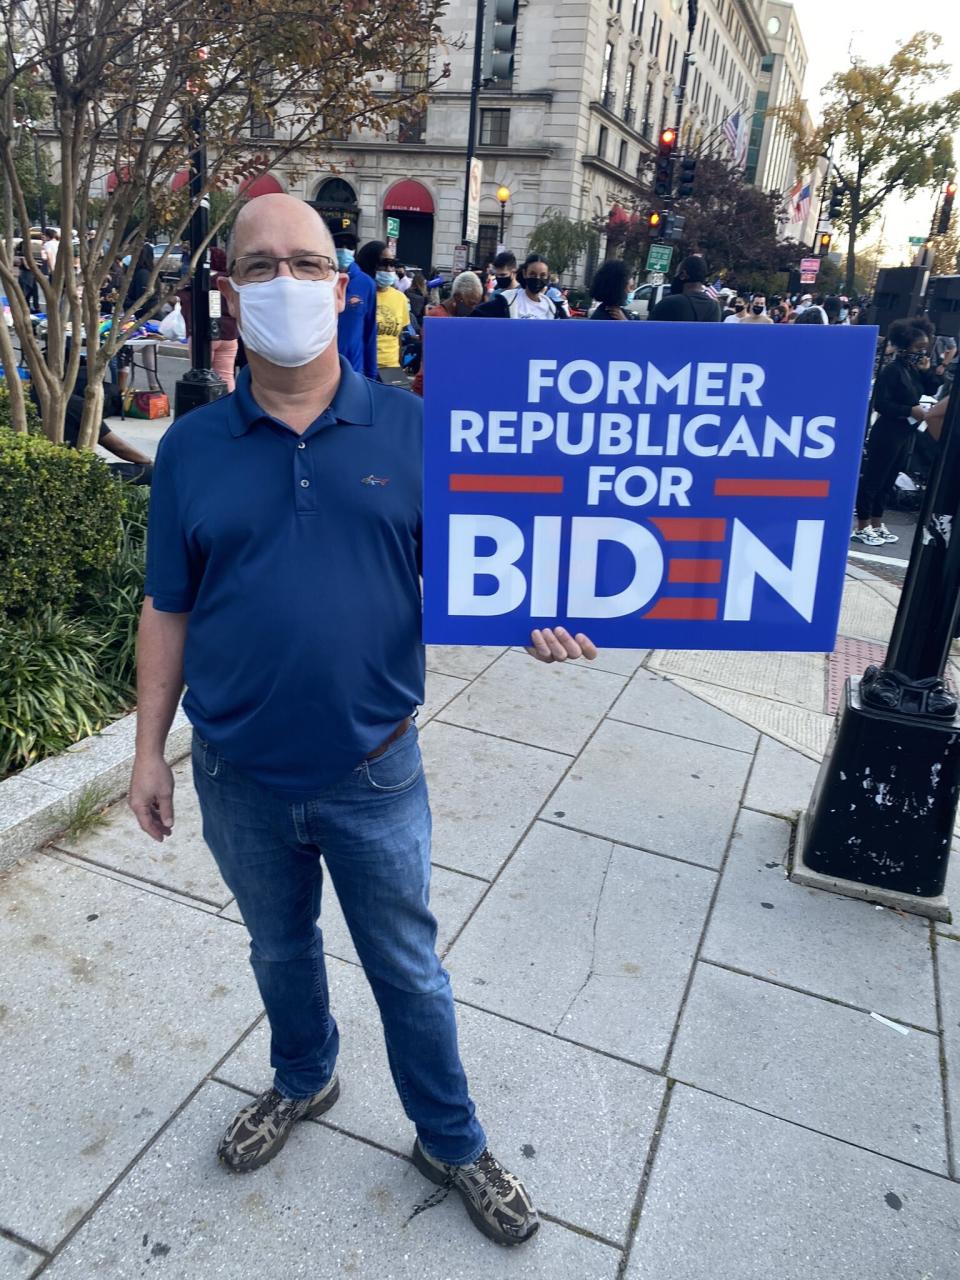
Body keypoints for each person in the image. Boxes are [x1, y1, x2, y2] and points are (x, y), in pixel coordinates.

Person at [130, 194, 597, 1247]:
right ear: (232, 293)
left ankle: (451, 1133)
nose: (284, 280)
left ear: (341, 289)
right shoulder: (196, 449)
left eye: (306, 261)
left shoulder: (418, 430)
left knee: (409, 968)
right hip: (238, 772)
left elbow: (490, 569)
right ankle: (304, 1076)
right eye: (261, 264)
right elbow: (168, 605)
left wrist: (540, 617)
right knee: (279, 946)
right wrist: (148, 750)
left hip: (375, 769)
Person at [852, 318, 933, 546]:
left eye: (924, 349)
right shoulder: (892, 371)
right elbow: (882, 404)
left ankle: (877, 522)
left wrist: (928, 372)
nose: (921, 353)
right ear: (905, 347)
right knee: (874, 479)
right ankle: (862, 524)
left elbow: (932, 387)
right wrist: (909, 410)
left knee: (889, 480)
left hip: (905, 433)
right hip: (887, 431)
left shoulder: (913, 371)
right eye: (918, 349)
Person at [410, 271, 484, 396]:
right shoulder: (438, 318)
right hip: (429, 388)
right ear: (458, 297)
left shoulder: (453, 317)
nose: (473, 308)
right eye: (471, 303)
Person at [177, 247, 239, 393]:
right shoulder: (229, 281)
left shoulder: (199, 281)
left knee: (200, 375)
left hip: (204, 332)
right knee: (226, 376)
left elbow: (184, 301)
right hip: (230, 333)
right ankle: (229, 409)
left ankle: (207, 408)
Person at [63, 388, 153, 484]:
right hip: (76, 475)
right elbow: (117, 447)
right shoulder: (73, 404)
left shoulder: (51, 401)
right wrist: (149, 462)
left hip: (57, 472)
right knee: (151, 473)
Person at [324, 219, 377, 380]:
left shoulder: (366, 284)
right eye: (339, 244)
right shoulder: (316, 280)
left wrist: (371, 375)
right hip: (320, 373)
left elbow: (370, 332)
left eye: (350, 246)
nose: (345, 250)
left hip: (354, 373)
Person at [356, 239, 410, 383]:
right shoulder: (358, 295)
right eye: (383, 264)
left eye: (392, 265)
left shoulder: (400, 298)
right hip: (363, 368)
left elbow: (398, 338)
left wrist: (400, 365)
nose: (389, 269)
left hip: (392, 370)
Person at [471, 254, 567, 319]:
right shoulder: (506, 301)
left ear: (547, 276)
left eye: (542, 275)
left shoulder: (553, 307)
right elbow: (476, 317)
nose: (537, 279)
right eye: (533, 274)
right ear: (525, 273)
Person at [649, 256, 722, 322]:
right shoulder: (714, 307)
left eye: (677, 273)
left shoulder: (669, 303)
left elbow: (647, 332)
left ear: (683, 275)